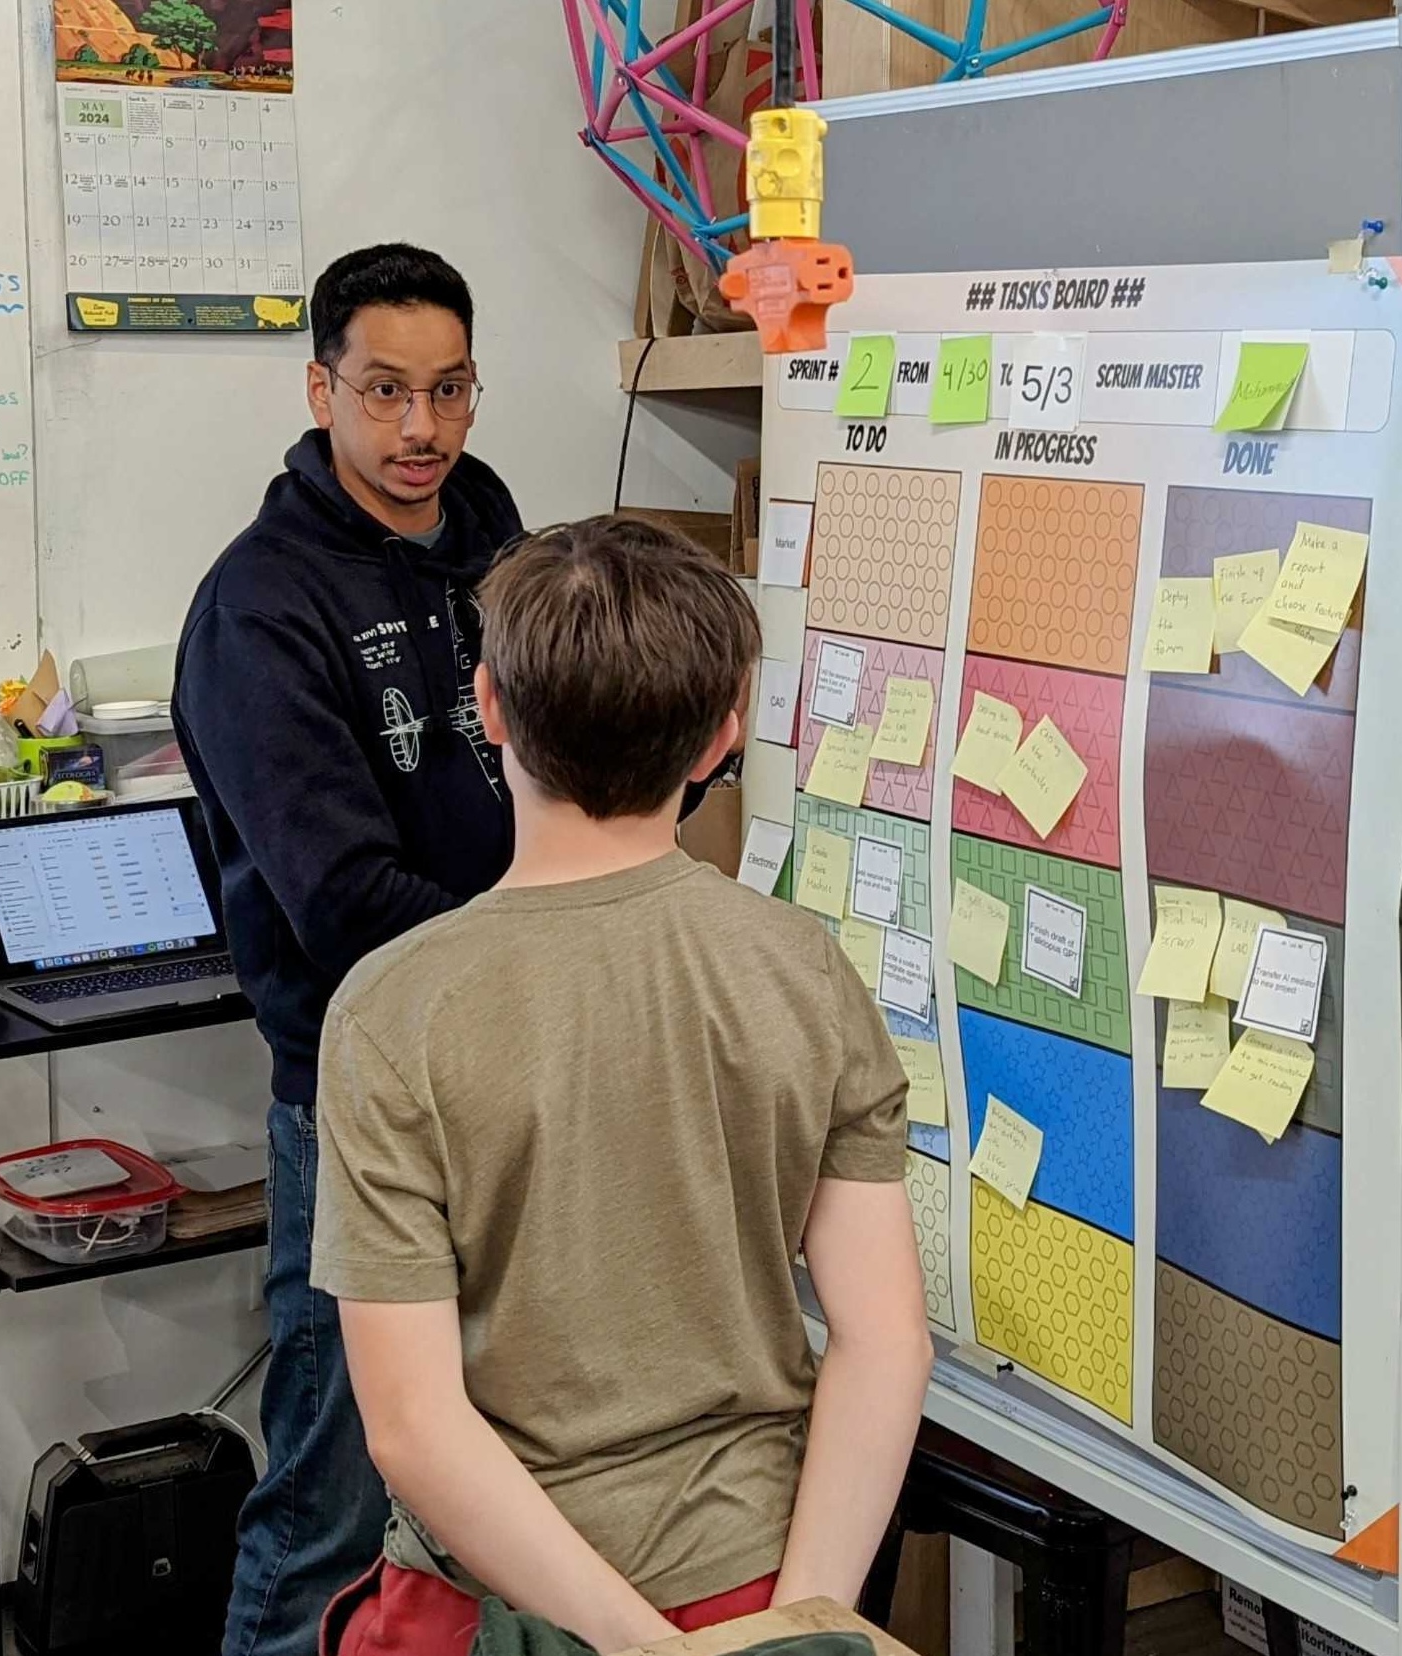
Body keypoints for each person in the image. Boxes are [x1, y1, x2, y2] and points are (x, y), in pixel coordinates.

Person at [310, 516, 936, 1655]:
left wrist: (640, 1649)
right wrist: (802, 1621)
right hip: (763, 1581)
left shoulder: (390, 1011)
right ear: (721, 737)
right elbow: (884, 1337)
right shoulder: (802, 967)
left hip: (505, 1606)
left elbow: (409, 1425)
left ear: (488, 707)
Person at [174, 243, 524, 1656]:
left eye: (447, 391)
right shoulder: (259, 606)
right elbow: (343, 896)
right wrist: (557, 945)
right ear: (320, 389)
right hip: (363, 1106)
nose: (418, 431)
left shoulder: (504, 552)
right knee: (330, 1495)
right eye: (382, 392)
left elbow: (579, 771)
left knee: (489, 1481)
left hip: (518, 1078)